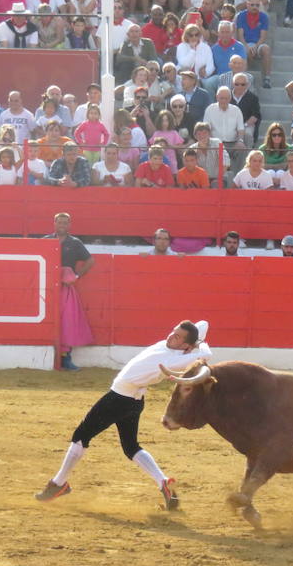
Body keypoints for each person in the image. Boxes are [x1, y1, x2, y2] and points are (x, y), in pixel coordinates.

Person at [35, 318, 210, 507]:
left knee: (81, 436)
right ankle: (163, 482)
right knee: (131, 447)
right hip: (134, 401)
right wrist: (195, 344)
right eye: (173, 331)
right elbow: (203, 324)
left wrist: (198, 347)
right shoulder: (173, 349)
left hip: (118, 398)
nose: (171, 336)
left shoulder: (175, 360)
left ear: (185, 345)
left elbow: (206, 354)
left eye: (177, 337)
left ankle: (59, 484)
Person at [44, 213, 94, 371]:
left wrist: (77, 275)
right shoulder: (46, 240)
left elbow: (90, 260)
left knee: (67, 321)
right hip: (47, 287)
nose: (62, 225)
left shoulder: (75, 242)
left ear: (69, 224)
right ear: (54, 223)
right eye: (60, 222)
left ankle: (66, 357)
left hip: (65, 286)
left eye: (65, 222)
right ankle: (49, 355)